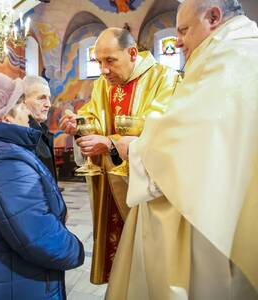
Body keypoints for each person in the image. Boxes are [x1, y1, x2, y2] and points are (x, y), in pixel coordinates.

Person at [106, 0, 258, 299]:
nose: (178, 41)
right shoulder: (240, 50)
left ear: (213, 17)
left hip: (211, 214)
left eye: (185, 30)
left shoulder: (230, 56)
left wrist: (135, 149)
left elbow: (191, 136)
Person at [59, 27, 180, 284]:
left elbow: (160, 131)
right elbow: (94, 117)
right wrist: (78, 123)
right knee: (118, 263)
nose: (103, 70)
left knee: (147, 264)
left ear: (133, 53)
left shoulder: (164, 78)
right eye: (98, 61)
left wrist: (110, 143)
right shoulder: (104, 84)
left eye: (110, 60)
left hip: (145, 190)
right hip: (111, 186)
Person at [0, 73, 84, 300]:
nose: (26, 110)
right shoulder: (6, 161)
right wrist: (76, 249)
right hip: (9, 283)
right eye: (20, 104)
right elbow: (38, 238)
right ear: (6, 118)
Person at [23, 75, 58, 182]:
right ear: (23, 102)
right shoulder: (25, 137)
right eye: (41, 98)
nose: (48, 104)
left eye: (49, 98)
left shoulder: (42, 131)